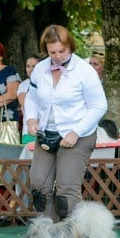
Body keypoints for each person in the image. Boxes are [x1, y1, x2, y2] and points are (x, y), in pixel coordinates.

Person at [24, 25, 108, 220]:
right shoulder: (40, 69)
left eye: (62, 51)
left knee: (66, 188)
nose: (58, 56)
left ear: (70, 46)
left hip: (78, 135)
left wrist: (76, 132)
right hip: (47, 134)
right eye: (52, 52)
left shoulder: (84, 71)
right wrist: (31, 118)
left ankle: (75, 235)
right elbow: (32, 98)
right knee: (39, 185)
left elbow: (98, 105)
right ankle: (48, 233)